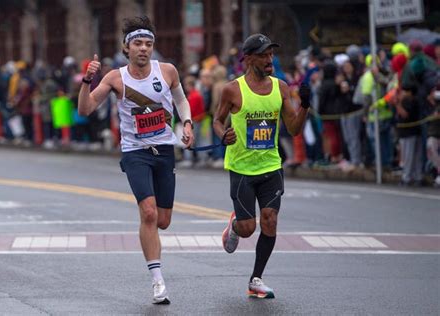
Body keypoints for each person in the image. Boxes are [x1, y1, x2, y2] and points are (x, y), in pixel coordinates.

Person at [78, 16, 194, 304]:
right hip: (135, 153)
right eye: (138, 43)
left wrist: (188, 123)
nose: (144, 48)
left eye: (148, 44)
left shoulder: (167, 71)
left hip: (164, 150)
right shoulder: (115, 78)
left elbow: (181, 99)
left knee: (164, 220)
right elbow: (86, 109)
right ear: (126, 47)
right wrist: (86, 81)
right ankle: (157, 281)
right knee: (149, 213)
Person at [213, 33, 310, 299]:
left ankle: (256, 279)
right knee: (248, 229)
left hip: (270, 166)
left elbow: (293, 128)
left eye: (271, 54)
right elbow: (217, 120)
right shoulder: (232, 89)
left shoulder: (280, 87)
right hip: (242, 168)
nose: (270, 59)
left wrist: (305, 106)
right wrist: (223, 134)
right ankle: (234, 226)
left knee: (270, 221)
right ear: (249, 58)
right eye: (264, 55)